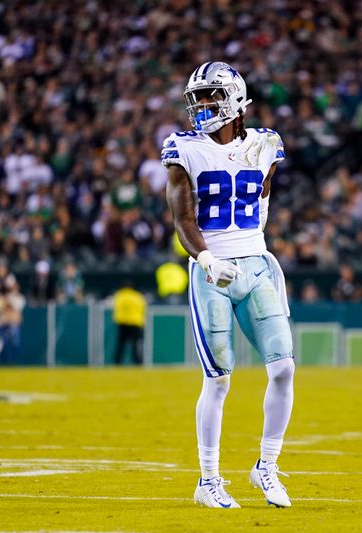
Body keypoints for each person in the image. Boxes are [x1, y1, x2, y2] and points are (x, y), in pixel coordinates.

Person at [164, 61, 294, 508]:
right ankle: (208, 480)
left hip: (255, 265)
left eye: (210, 97)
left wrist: (253, 250)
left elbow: (262, 198)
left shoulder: (266, 144)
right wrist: (205, 258)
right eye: (197, 99)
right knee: (218, 379)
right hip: (211, 271)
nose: (201, 107)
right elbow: (182, 219)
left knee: (284, 368)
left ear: (235, 100)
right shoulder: (184, 148)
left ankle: (267, 466)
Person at [112, 282, 147, 365]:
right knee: (136, 345)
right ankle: (138, 363)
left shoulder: (119, 296)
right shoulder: (137, 296)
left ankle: (117, 363)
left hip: (122, 323)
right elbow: (143, 308)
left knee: (120, 345)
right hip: (135, 323)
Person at [0, 278, 25, 364]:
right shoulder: (1, 297)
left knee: (15, 343)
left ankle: (15, 361)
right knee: (4, 344)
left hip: (14, 322)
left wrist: (10, 298)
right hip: (4, 322)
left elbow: (18, 307)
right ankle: (5, 362)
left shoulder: (19, 297)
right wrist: (4, 298)